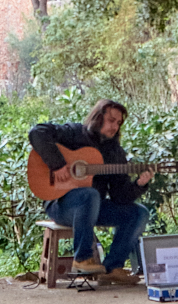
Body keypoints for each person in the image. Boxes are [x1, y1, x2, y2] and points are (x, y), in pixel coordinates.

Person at [28, 98, 151, 285]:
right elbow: (37, 132)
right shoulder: (75, 133)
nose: (115, 127)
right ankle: (82, 259)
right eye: (111, 120)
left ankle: (112, 268)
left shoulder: (115, 152)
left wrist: (139, 185)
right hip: (61, 205)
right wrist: (58, 165)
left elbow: (120, 197)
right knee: (90, 194)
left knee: (139, 213)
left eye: (118, 123)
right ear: (98, 117)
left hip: (94, 207)